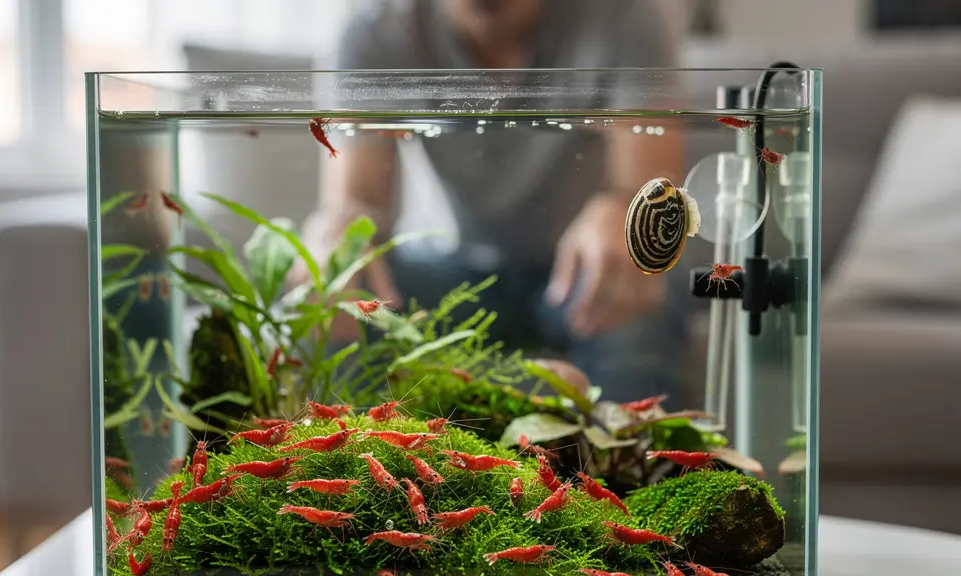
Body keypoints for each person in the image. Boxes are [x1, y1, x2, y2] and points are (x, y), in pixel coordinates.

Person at [292, 0, 692, 405]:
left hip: (579, 274)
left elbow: (651, 186)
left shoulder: (625, 15)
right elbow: (357, 202)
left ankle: (622, 460)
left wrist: (623, 210)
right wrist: (335, 237)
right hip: (444, 269)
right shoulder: (375, 28)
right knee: (332, 298)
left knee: (644, 292)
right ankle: (348, 460)